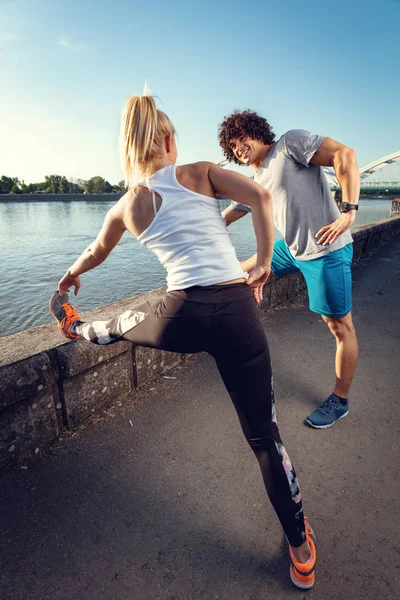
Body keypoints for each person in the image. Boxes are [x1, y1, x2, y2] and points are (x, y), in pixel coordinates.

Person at [49, 94, 316, 589]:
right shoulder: (200, 172)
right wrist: (260, 263)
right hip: (236, 316)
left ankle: (75, 326)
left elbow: (95, 251)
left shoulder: (128, 205)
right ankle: (300, 549)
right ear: (169, 139)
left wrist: (69, 277)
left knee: (122, 322)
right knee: (264, 437)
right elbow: (260, 197)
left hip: (181, 317)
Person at [218, 110, 360, 429]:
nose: (240, 146)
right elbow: (226, 216)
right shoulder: (255, 181)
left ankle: (340, 400)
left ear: (258, 133)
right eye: (233, 144)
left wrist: (348, 212)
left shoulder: (288, 145)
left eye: (244, 138)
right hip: (293, 249)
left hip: (325, 251)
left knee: (340, 328)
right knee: (235, 275)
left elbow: (344, 155)